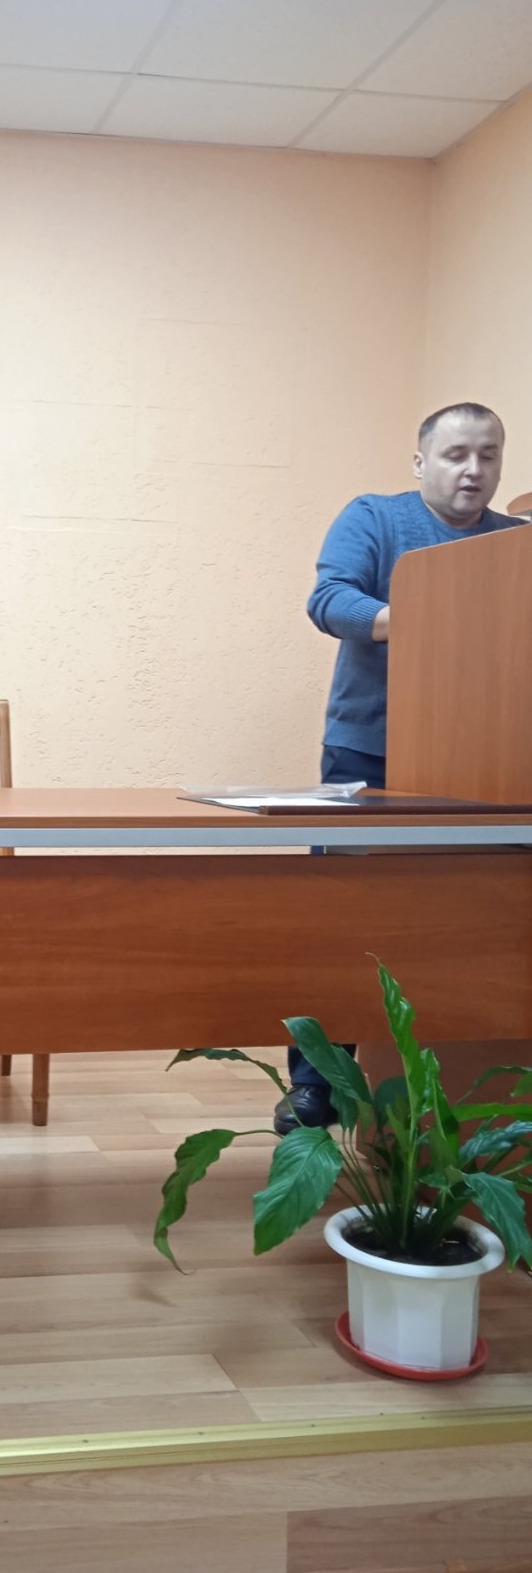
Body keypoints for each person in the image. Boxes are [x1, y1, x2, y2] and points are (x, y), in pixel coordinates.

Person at [275, 402, 524, 1134]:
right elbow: (331, 601)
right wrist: (436, 614)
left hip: (484, 763)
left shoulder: (514, 543)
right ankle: (314, 1086)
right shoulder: (375, 518)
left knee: (461, 921)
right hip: (369, 751)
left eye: (488, 455)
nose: (473, 470)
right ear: (420, 463)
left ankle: (449, 1083)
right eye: (456, 454)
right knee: (342, 917)